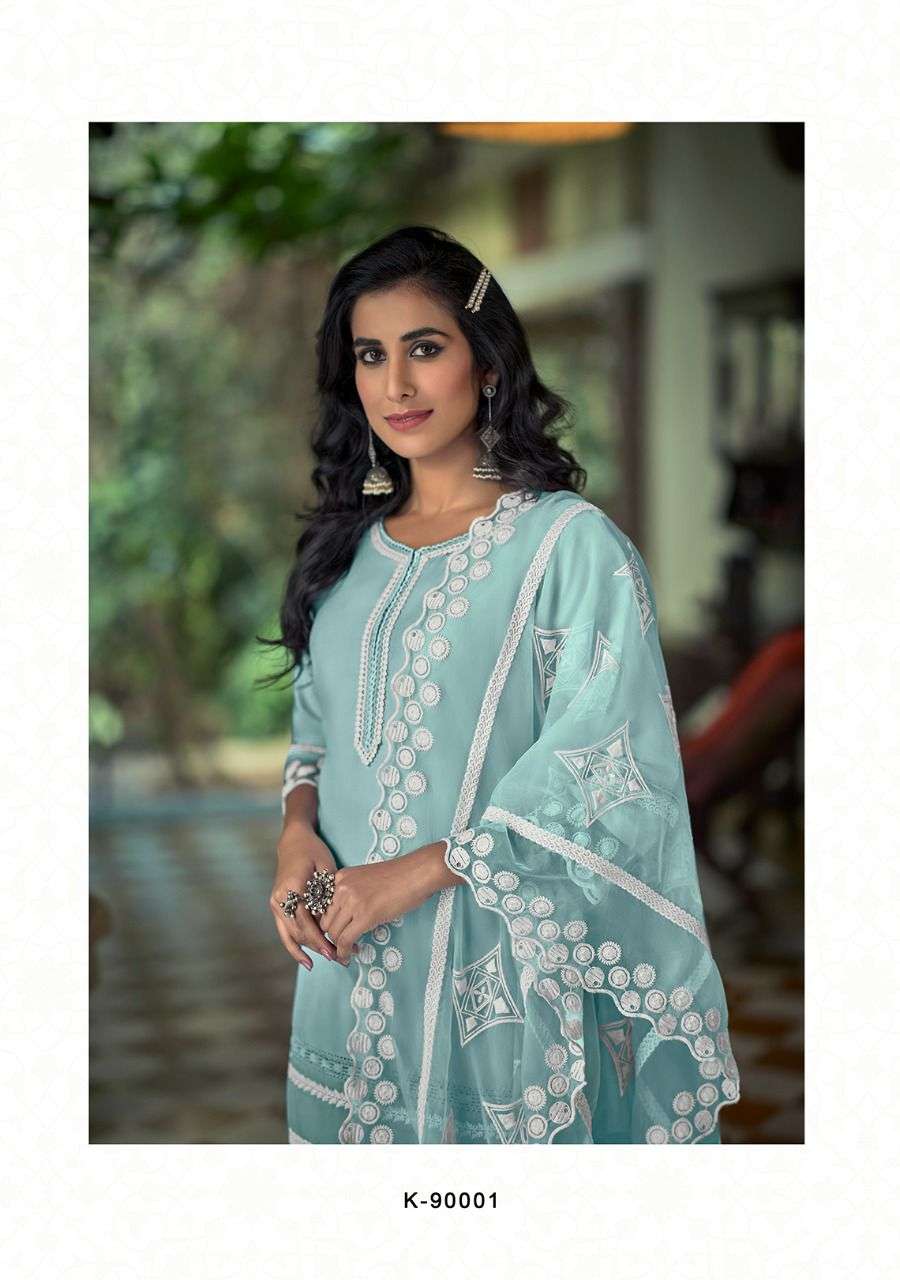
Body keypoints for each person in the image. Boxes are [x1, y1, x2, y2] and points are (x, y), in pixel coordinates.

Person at [261, 225, 741, 1144]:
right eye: (371, 355)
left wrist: (420, 871)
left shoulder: (567, 546)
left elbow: (606, 771)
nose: (396, 386)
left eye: (424, 348)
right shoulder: (341, 550)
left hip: (500, 987)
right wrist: (294, 835)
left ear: (486, 364)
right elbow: (314, 733)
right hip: (344, 973)